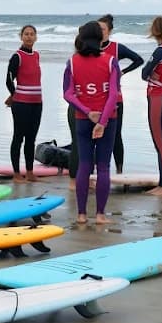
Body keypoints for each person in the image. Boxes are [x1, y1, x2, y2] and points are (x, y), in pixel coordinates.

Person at [64, 20, 120, 224]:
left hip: (83, 119)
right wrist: (102, 121)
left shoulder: (72, 62)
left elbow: (68, 94)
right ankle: (100, 215)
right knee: (103, 166)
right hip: (107, 120)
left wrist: (88, 113)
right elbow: (113, 95)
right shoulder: (111, 61)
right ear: (100, 38)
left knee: (85, 165)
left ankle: (81, 215)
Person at [97, 14, 144, 173]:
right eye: (97, 28)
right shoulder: (90, 48)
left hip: (116, 99)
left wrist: (123, 72)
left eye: (103, 29)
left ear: (109, 31)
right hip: (96, 99)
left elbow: (138, 60)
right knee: (96, 135)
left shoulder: (117, 48)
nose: (100, 31)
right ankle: (96, 170)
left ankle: (119, 171)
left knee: (116, 135)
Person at [140, 16, 162, 196]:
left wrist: (153, 74)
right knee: (161, 142)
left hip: (157, 98)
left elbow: (144, 73)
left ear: (154, 31)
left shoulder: (161, 50)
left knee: (160, 143)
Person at [4, 24, 42, 182]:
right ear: (21, 37)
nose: (29, 36)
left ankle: (30, 172)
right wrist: (15, 95)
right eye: (26, 34)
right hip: (21, 104)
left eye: (32, 34)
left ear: (36, 37)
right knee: (18, 137)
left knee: (31, 138)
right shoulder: (17, 56)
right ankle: (16, 173)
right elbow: (8, 80)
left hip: (37, 103)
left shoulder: (37, 55)